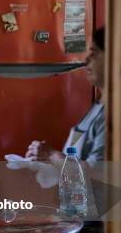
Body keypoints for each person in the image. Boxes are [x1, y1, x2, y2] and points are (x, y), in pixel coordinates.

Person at [25, 27, 106, 168]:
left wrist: (51, 156)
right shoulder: (99, 105)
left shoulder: (115, 113)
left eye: (94, 53)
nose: (86, 59)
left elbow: (99, 172)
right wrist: (47, 161)